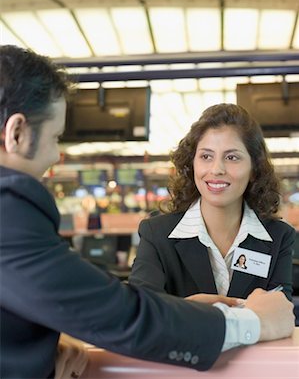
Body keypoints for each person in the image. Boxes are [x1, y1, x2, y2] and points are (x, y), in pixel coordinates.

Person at [0, 46, 294, 379]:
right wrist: (252, 321)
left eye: (232, 158)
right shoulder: (8, 207)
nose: (56, 156)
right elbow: (123, 315)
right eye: (55, 138)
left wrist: (52, 334)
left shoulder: (278, 235)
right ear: (16, 133)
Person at [129, 103, 296, 302]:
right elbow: (142, 311)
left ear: (254, 169)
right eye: (206, 156)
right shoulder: (156, 234)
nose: (217, 169)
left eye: (232, 157)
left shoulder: (278, 237)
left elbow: (279, 316)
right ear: (192, 165)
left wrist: (190, 309)